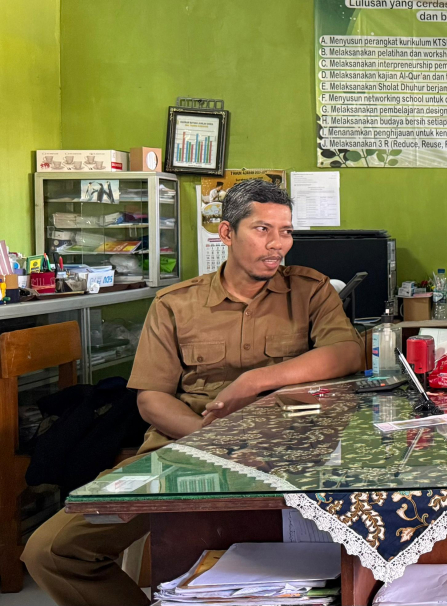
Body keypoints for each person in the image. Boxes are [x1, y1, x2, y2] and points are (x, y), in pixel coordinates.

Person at [22, 180, 365, 606]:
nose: (278, 244)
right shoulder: (175, 304)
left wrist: (255, 380)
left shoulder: (310, 290)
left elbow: (347, 352)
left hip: (286, 451)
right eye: (263, 229)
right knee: (51, 551)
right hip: (182, 452)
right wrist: (216, 440)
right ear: (226, 233)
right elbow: (151, 399)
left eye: (286, 231)